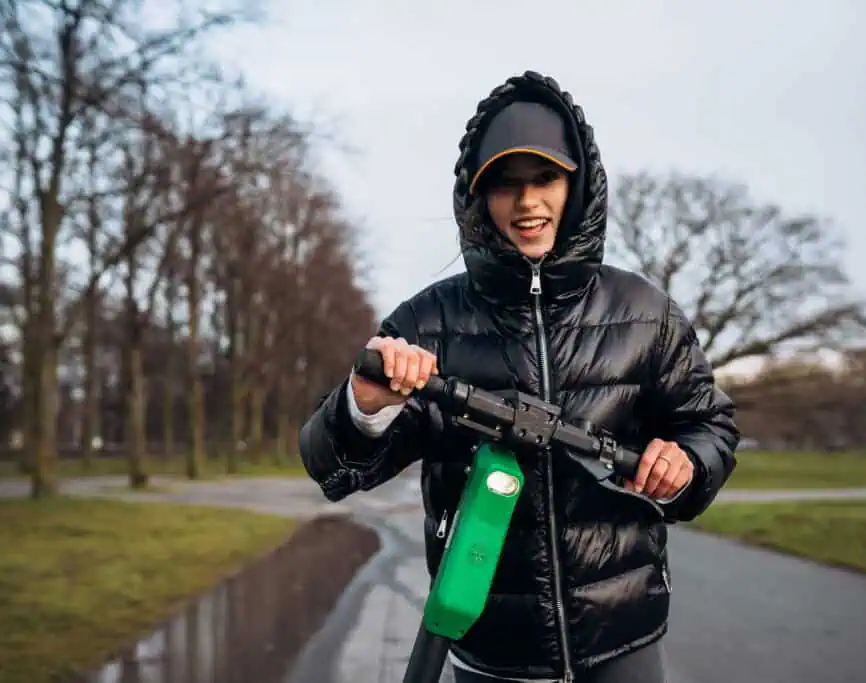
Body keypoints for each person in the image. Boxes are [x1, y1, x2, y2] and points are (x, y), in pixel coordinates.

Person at [298, 71, 740, 683]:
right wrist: (364, 406)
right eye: (506, 185)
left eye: (545, 179)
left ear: (576, 184)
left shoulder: (645, 313)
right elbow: (335, 470)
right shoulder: (426, 324)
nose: (528, 202)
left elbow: (709, 425)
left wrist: (687, 462)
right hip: (491, 649)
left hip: (623, 639)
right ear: (479, 199)